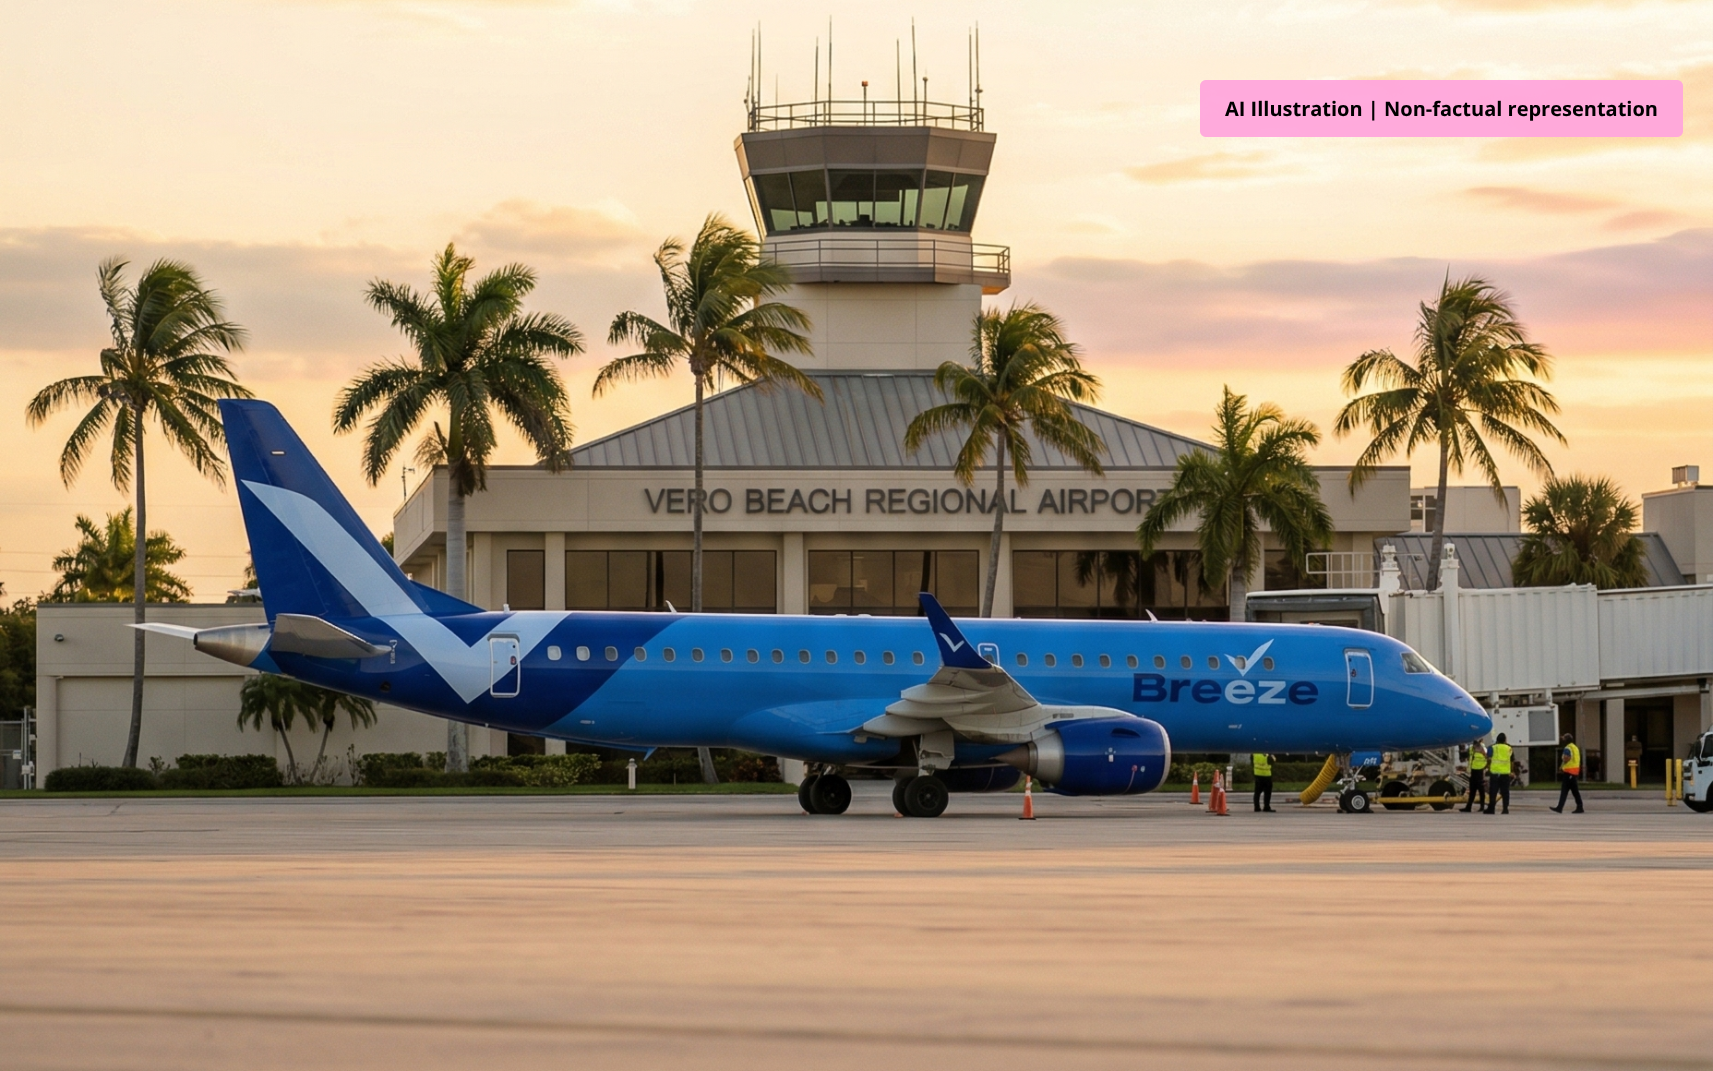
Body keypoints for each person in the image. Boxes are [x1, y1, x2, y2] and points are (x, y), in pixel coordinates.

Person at [1552, 732, 1584, 813]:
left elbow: (1567, 758)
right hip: (1574, 772)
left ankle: (1560, 807)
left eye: (1564, 738)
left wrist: (1563, 763)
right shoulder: (1575, 747)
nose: (1563, 740)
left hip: (1569, 773)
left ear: (1566, 740)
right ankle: (1579, 806)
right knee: (1575, 791)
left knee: (1564, 790)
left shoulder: (1568, 748)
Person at [1484, 733, 1513, 815]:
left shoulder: (1492, 747)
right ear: (1505, 740)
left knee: (1493, 792)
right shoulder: (1509, 748)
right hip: (1505, 773)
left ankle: (1491, 809)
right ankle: (1505, 809)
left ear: (1497, 740)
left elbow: (1488, 756)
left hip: (1495, 773)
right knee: (1505, 792)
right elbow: (1511, 759)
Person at [1462, 739, 1488, 813]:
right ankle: (1468, 807)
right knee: (1472, 790)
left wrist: (1484, 767)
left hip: (1479, 771)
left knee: (1481, 790)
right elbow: (1470, 758)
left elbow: (1486, 757)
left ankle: (1482, 806)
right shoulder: (1471, 748)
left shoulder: (1482, 747)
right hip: (1473, 771)